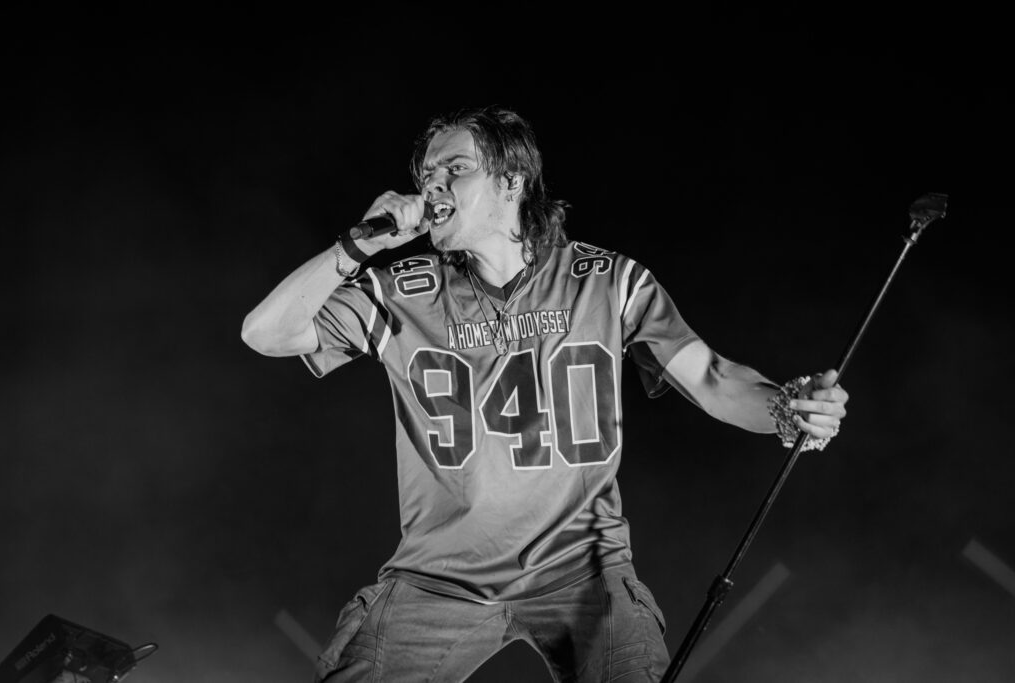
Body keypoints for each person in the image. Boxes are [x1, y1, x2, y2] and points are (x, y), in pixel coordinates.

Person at [241, 106, 848, 682]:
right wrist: (359, 247)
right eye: (426, 175)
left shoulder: (607, 282)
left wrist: (787, 409)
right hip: (438, 578)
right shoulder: (401, 290)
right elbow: (265, 333)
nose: (433, 186)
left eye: (456, 168)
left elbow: (712, 378)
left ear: (512, 181)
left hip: (583, 568)